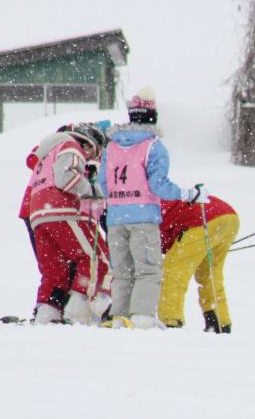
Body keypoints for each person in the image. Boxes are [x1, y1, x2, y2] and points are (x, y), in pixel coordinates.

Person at [99, 87, 207, 328]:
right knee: (147, 269)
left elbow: (103, 184)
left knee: (122, 271)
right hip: (143, 218)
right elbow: (158, 185)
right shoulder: (153, 146)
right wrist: (188, 194)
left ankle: (119, 316)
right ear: (152, 115)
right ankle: (142, 317)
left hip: (116, 218)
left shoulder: (112, 147)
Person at [25, 123, 112, 325]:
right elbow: (66, 177)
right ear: (88, 142)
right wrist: (91, 190)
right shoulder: (71, 145)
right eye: (93, 152)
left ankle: (48, 312)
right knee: (95, 258)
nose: (90, 157)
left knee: (55, 270)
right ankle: (80, 310)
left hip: (40, 215)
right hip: (64, 210)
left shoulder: (46, 154)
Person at [157, 195, 239, 332]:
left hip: (199, 219)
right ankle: (219, 321)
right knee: (209, 275)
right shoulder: (155, 199)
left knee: (172, 272)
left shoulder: (140, 213)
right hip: (227, 217)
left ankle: (170, 320)